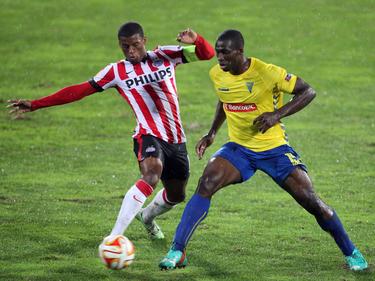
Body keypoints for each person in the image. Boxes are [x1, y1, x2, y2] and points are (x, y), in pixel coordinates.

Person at [159, 29, 368, 271]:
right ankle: (178, 250)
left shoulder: (266, 72)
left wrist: (276, 114)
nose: (220, 58)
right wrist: (213, 133)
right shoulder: (217, 74)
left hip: (274, 149)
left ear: (240, 52)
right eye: (218, 53)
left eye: (225, 53)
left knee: (311, 201)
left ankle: (351, 252)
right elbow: (224, 99)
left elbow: (308, 91)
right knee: (206, 183)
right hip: (239, 149)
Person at [7, 22, 215, 243]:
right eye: (125, 47)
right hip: (148, 134)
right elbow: (78, 91)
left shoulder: (166, 55)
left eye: (135, 45)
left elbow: (207, 54)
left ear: (144, 41)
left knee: (177, 195)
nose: (131, 51)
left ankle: (146, 217)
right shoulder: (115, 71)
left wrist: (197, 40)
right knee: (151, 173)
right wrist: (36, 104)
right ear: (120, 46)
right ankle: (114, 238)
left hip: (176, 139)